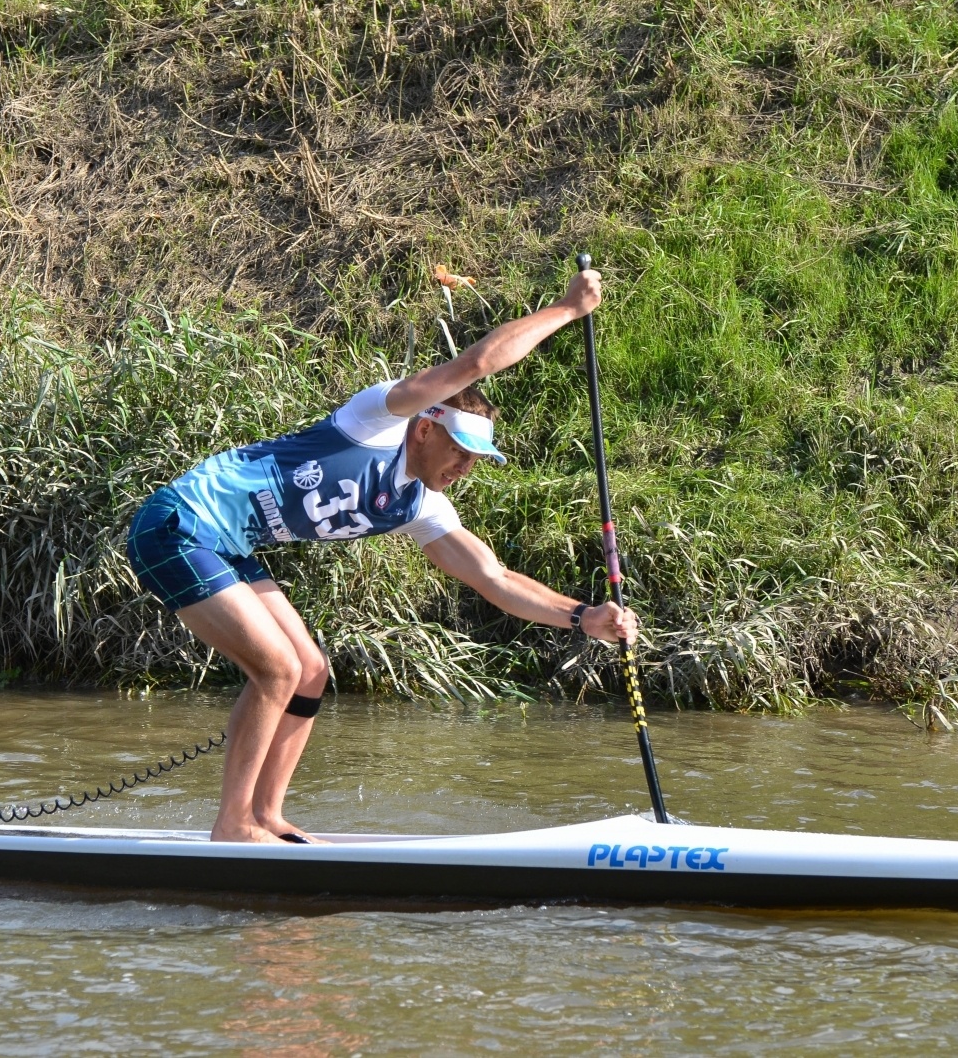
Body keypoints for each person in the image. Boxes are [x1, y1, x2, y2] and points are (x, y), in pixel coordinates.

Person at [126, 266, 638, 843]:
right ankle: (233, 827)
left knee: (310, 672)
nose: (466, 468)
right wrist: (569, 310)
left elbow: (493, 577)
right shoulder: (373, 421)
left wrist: (583, 615)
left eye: (476, 459)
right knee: (278, 668)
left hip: (230, 545)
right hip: (181, 524)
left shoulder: (421, 506)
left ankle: (265, 816)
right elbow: (474, 364)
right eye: (460, 451)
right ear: (425, 429)